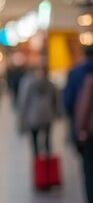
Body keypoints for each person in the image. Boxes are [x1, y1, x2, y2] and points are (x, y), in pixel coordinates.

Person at [63, 45, 93, 203]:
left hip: (88, 132)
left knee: (88, 168)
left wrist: (79, 128)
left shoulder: (78, 73)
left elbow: (71, 103)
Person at [19, 65, 59, 157]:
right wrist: (56, 113)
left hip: (34, 116)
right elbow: (56, 100)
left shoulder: (31, 85)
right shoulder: (50, 85)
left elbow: (24, 101)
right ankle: (47, 161)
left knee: (34, 141)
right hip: (48, 116)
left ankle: (37, 162)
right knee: (47, 140)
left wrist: (22, 118)